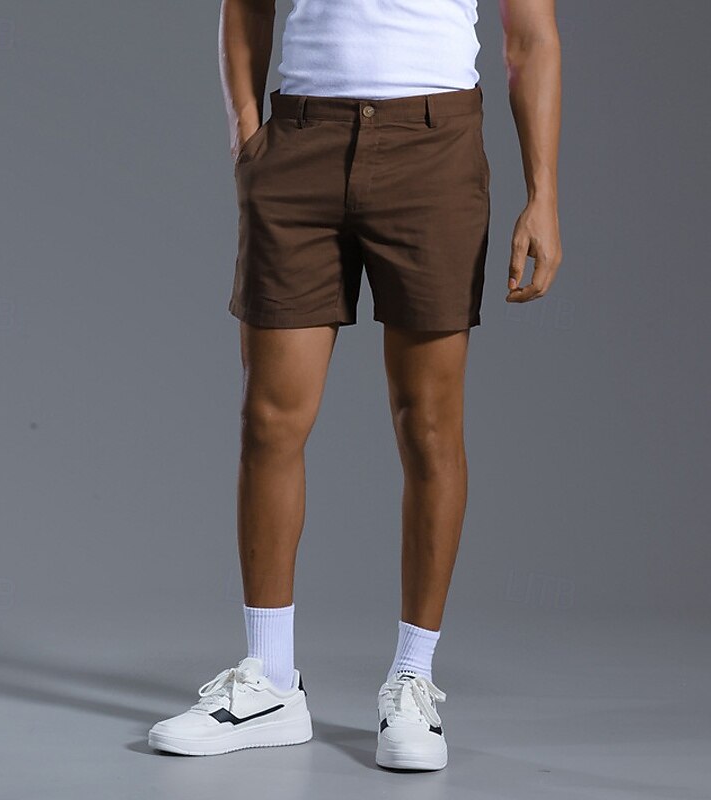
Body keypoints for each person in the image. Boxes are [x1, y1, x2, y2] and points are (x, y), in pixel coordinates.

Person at [149, 0, 562, 771]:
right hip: (301, 140)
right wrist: (246, 131)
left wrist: (543, 193)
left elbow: (531, 37)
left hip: (434, 147)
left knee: (428, 426)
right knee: (268, 421)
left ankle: (412, 681)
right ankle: (270, 682)